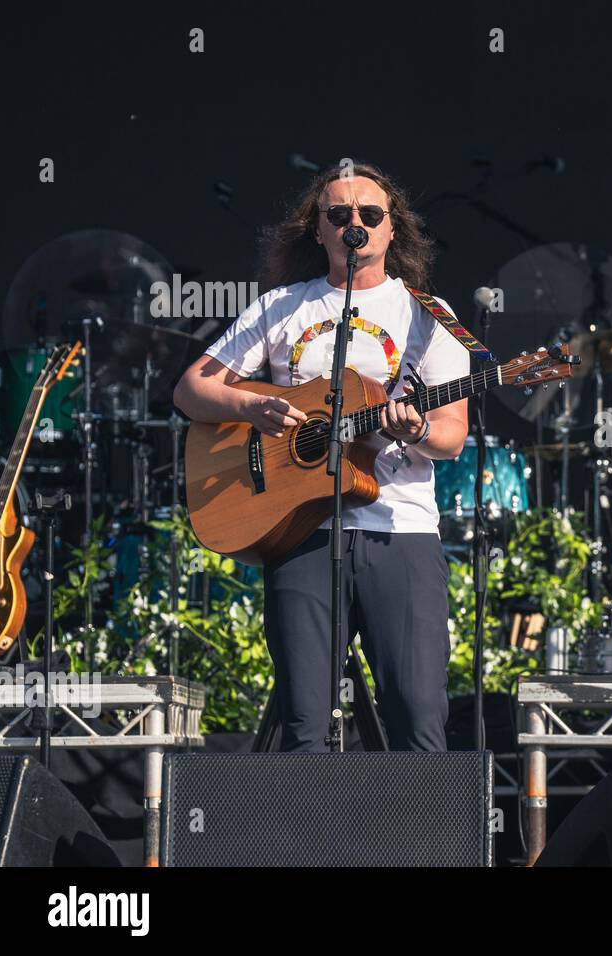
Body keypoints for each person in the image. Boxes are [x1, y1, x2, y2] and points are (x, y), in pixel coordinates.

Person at [173, 162, 469, 751]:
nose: (354, 223)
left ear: (391, 230)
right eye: (339, 214)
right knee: (304, 724)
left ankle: (423, 846)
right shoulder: (284, 307)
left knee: (418, 719)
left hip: (399, 530)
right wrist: (251, 406)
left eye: (369, 214)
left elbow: (451, 436)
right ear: (319, 231)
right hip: (301, 530)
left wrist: (410, 431)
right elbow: (190, 391)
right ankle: (308, 845)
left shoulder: (428, 316)